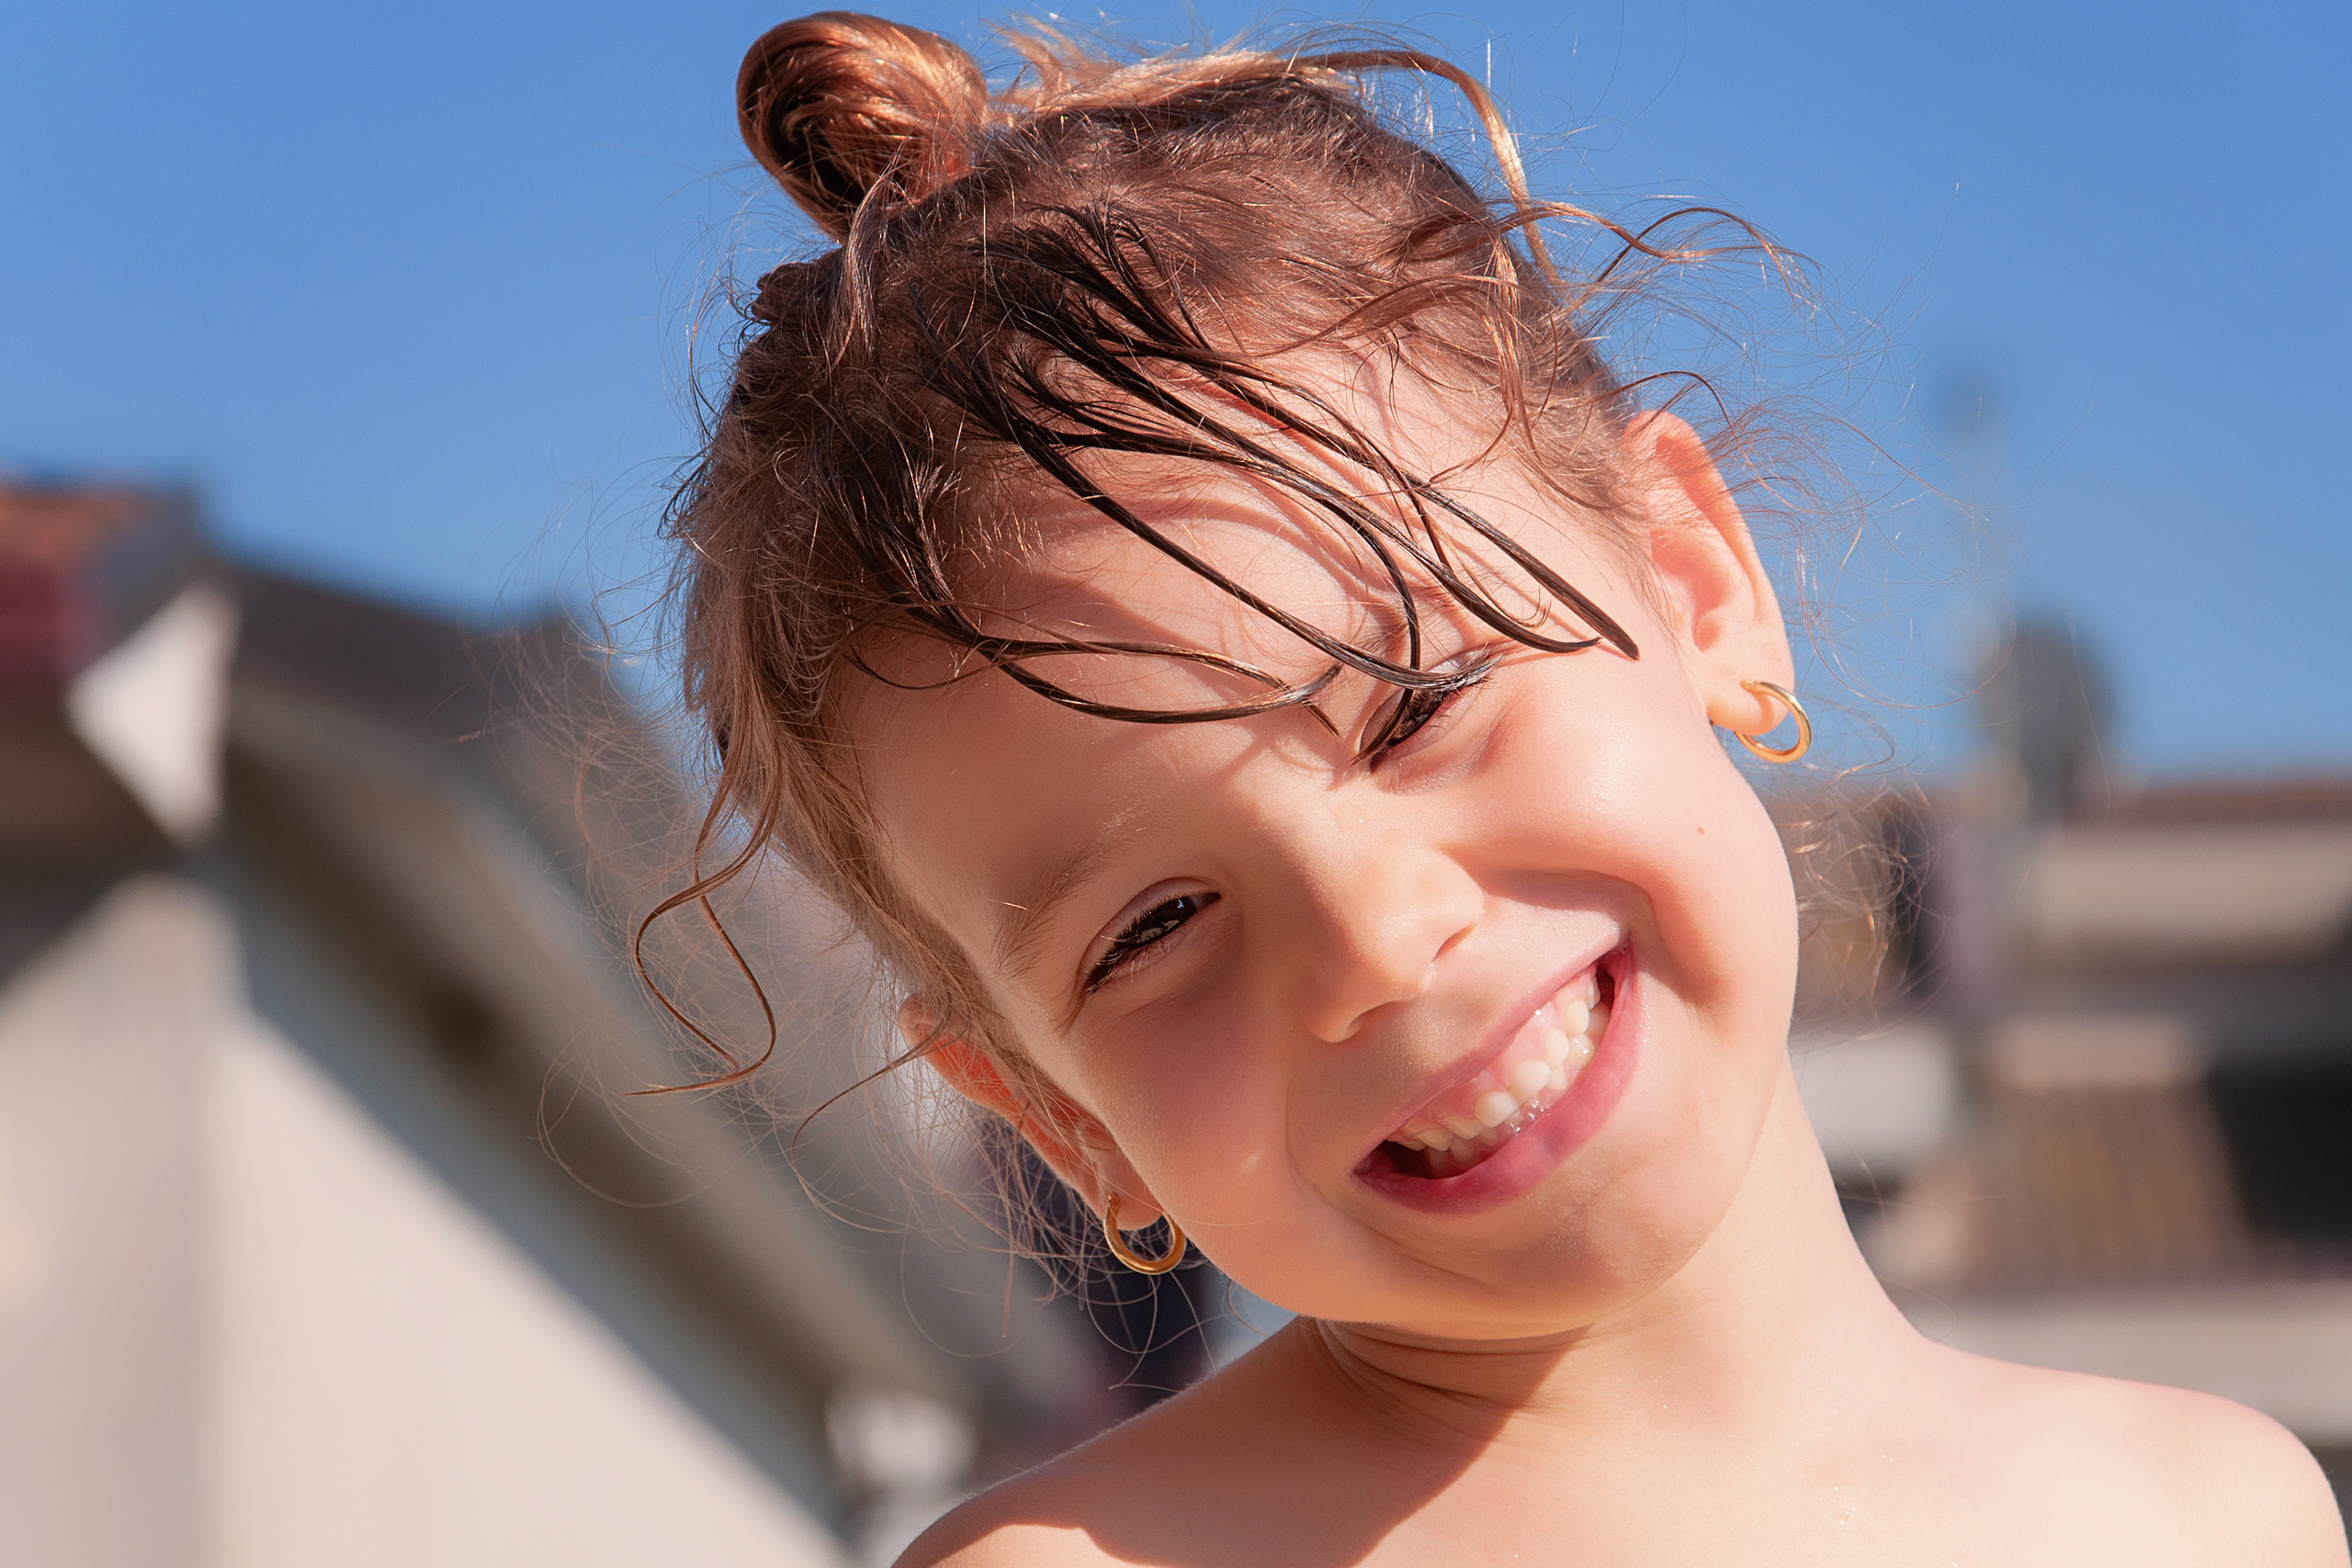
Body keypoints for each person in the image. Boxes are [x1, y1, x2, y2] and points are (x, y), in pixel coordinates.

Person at [658, 12, 2349, 1563]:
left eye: (1419, 701)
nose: (1380, 939)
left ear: (1697, 586)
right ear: (1060, 1118)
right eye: (1158, 921)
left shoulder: (2209, 1511)